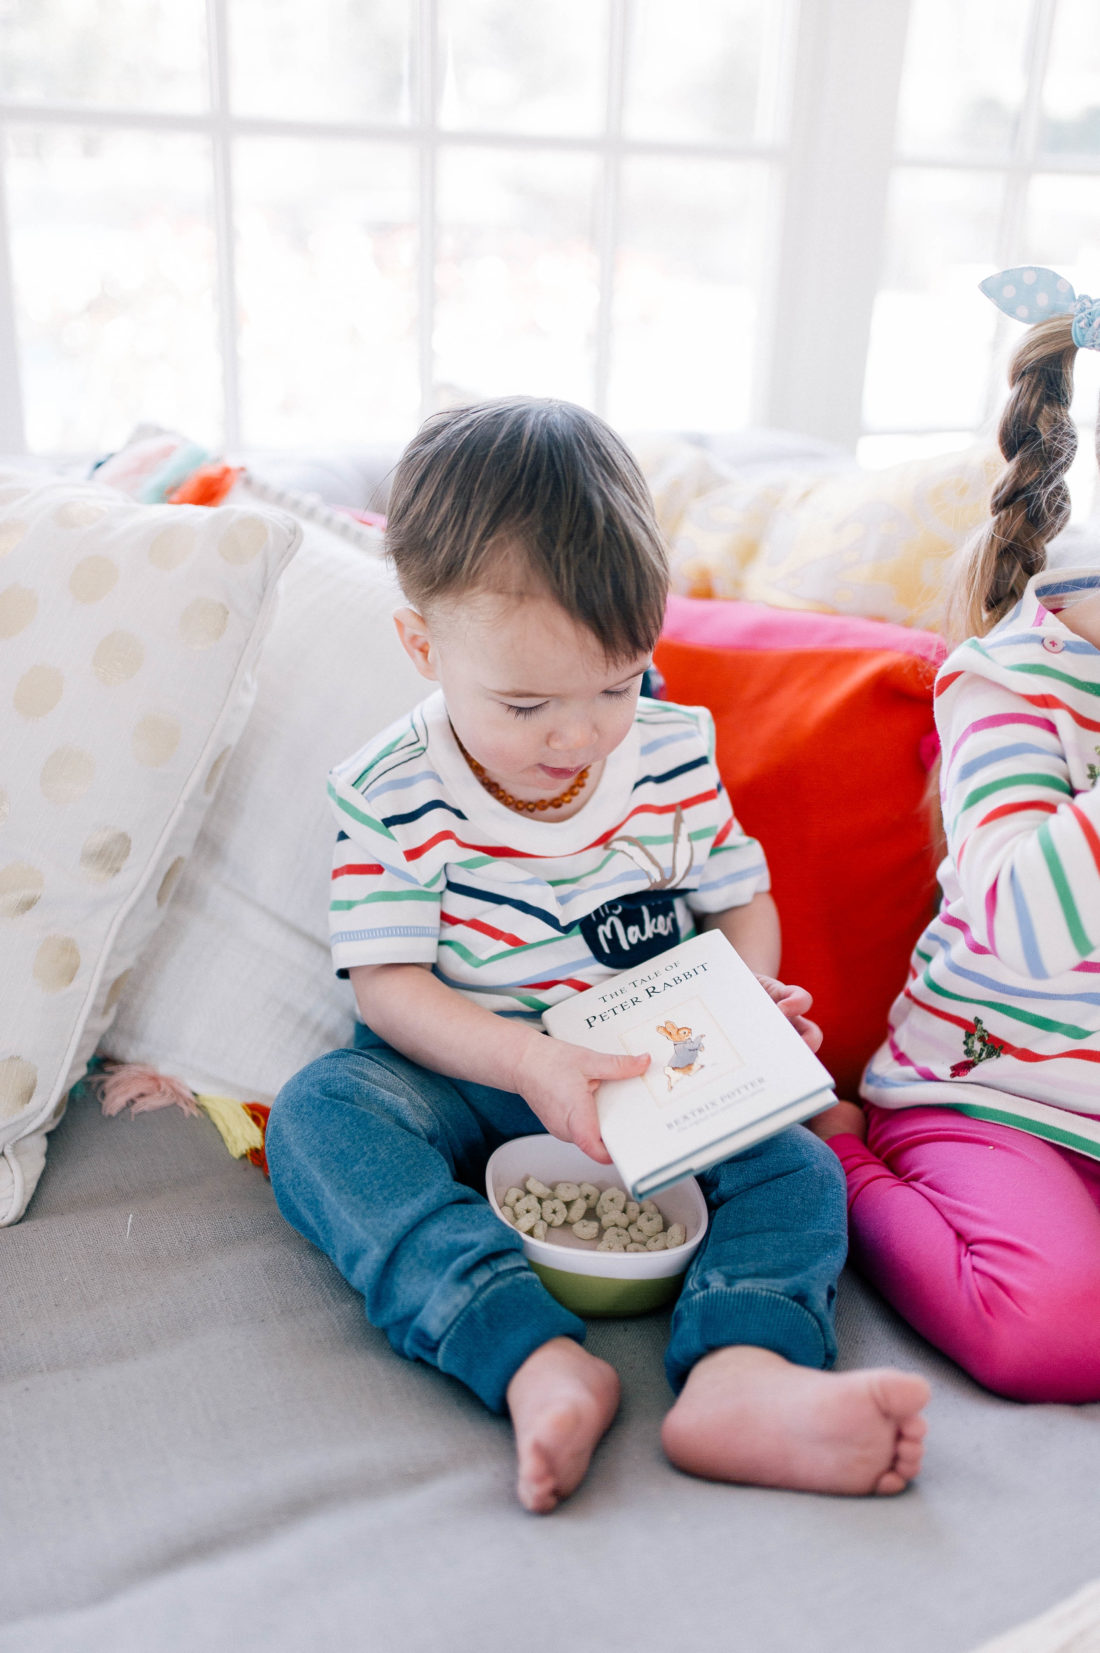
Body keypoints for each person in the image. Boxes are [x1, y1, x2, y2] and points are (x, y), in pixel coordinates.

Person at [265, 396, 929, 1512]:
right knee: (320, 1116)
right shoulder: (388, 791)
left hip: (643, 1070)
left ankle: (739, 1374)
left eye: (615, 684)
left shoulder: (669, 748)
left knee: (799, 1171)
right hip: (469, 1074)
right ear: (423, 648)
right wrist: (524, 1064)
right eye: (525, 704)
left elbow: (737, 898)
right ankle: (525, 1353)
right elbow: (385, 986)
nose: (576, 737)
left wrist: (747, 999)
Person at [810, 267, 1100, 1404]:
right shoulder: (1007, 684)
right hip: (987, 1094)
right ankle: (834, 1156)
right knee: (1054, 1338)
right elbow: (1027, 925)